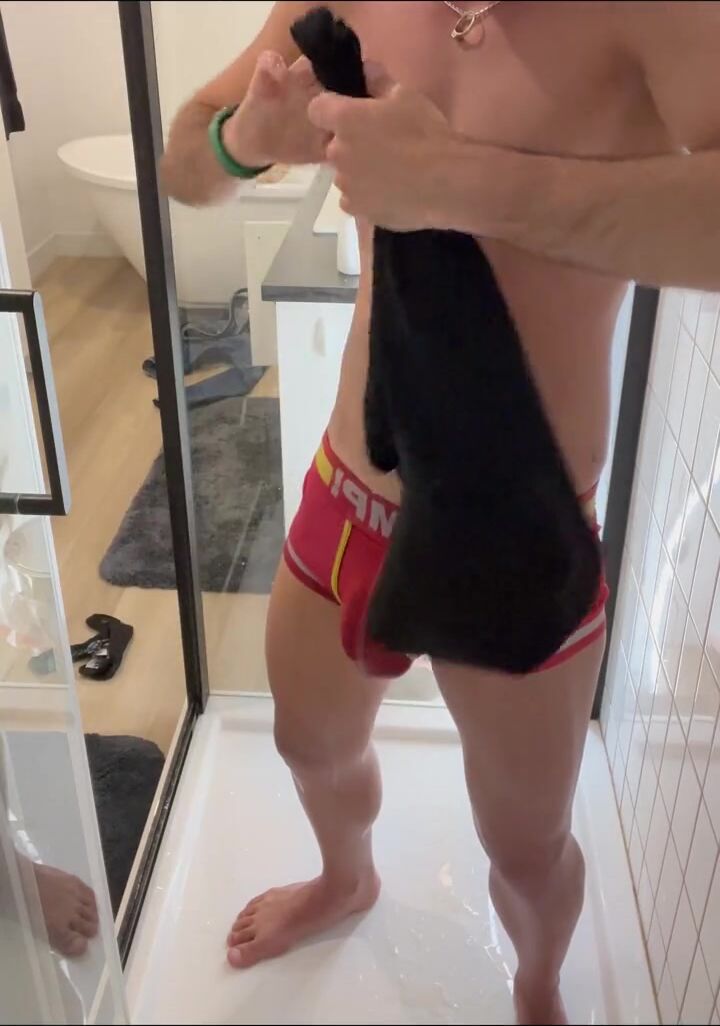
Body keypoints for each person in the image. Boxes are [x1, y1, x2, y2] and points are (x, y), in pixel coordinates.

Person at [161, 3, 720, 1022]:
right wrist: (249, 139)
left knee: (527, 847)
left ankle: (538, 983)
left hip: (521, 531)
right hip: (352, 490)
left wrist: (458, 181)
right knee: (309, 746)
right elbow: (184, 163)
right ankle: (346, 879)